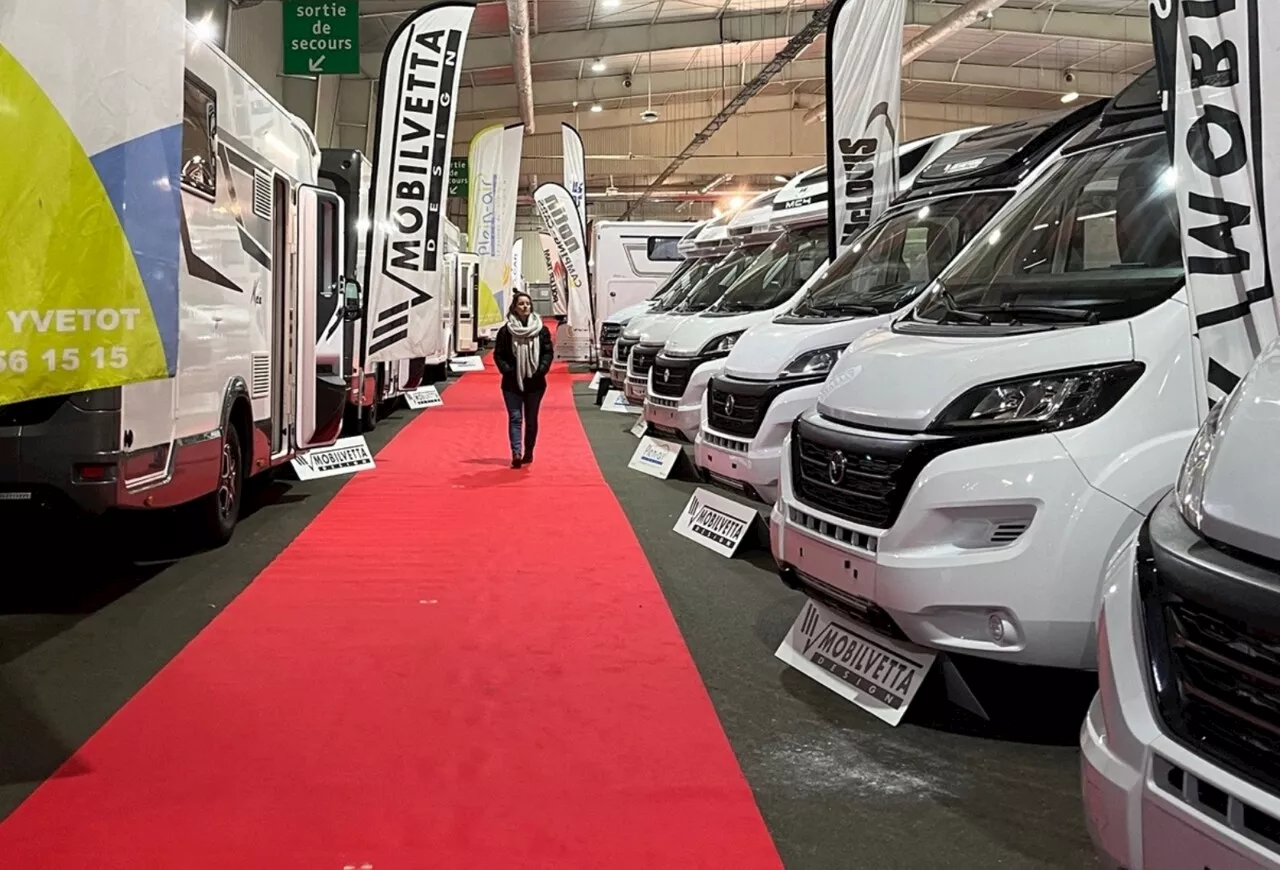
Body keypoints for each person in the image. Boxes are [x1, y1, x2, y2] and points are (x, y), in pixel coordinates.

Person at [493, 292, 554, 468]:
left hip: (535, 383)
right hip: (512, 383)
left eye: (527, 303)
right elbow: (499, 355)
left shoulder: (541, 330)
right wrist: (508, 371)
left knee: (531, 419)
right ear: (515, 307)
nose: (525, 306)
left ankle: (529, 451)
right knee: (515, 417)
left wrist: (541, 369)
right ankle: (516, 452)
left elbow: (548, 352)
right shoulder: (505, 331)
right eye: (521, 304)